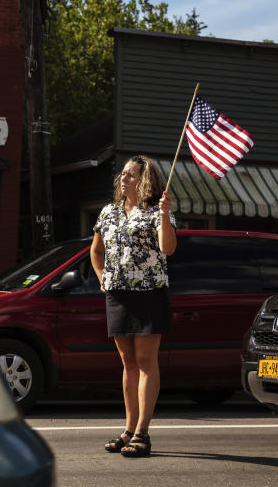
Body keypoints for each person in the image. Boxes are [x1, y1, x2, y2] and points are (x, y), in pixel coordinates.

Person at [91, 155, 176, 458]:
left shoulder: (156, 211)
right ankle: (128, 429)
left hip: (149, 293)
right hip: (118, 294)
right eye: (123, 174)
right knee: (128, 362)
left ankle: (143, 432)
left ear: (144, 180)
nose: (124, 178)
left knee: (145, 360)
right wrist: (103, 279)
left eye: (131, 174)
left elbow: (167, 248)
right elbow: (96, 251)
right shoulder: (108, 212)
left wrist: (165, 215)